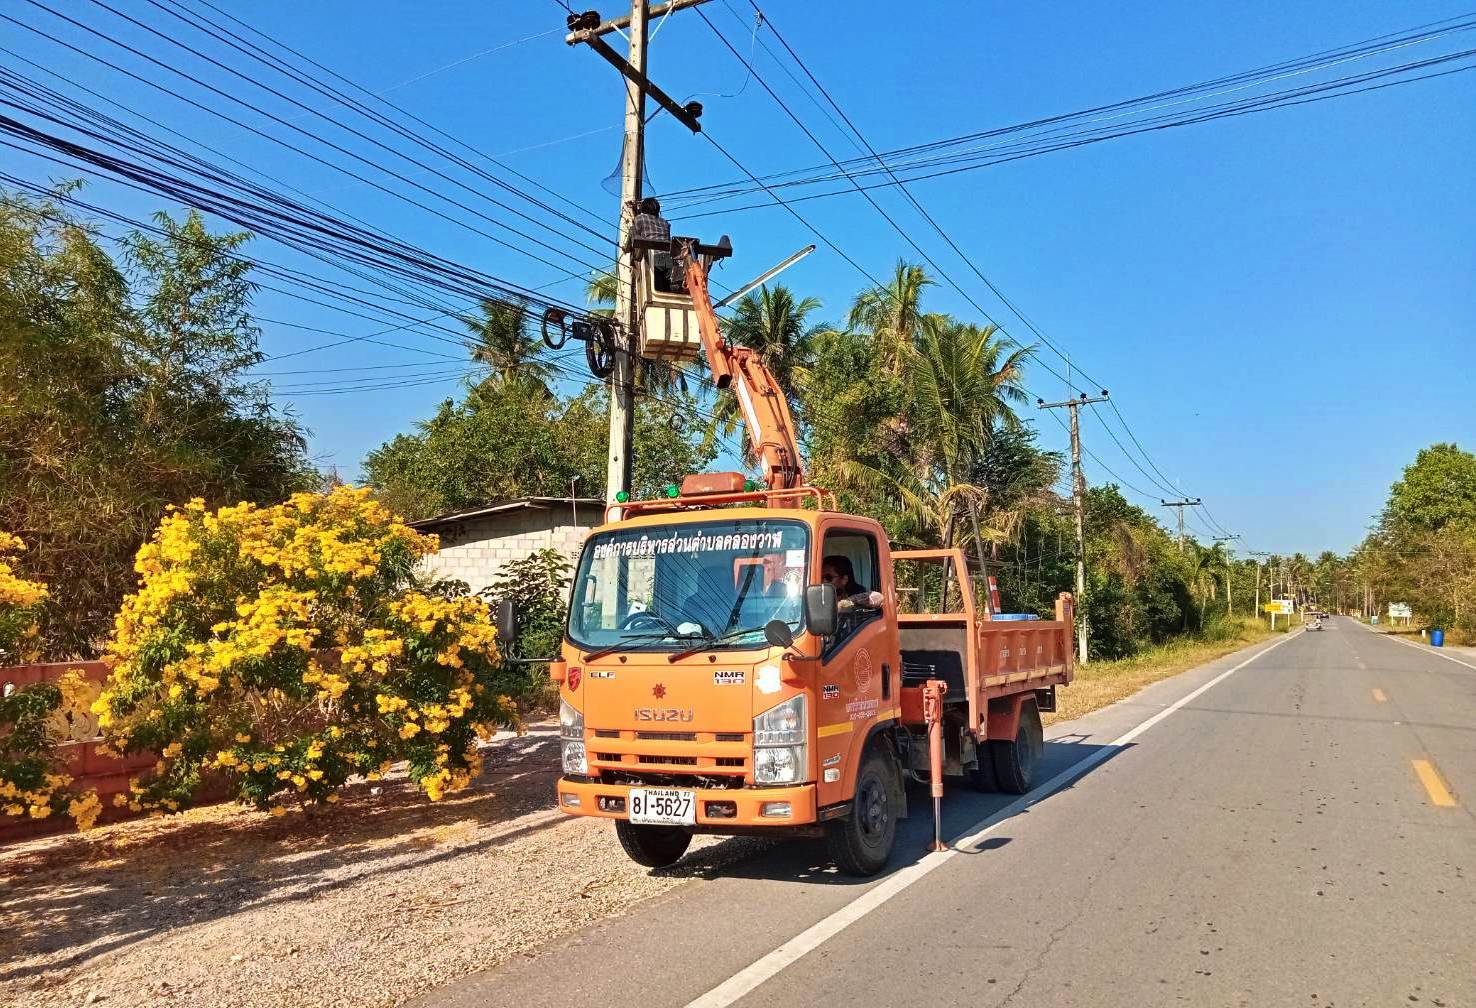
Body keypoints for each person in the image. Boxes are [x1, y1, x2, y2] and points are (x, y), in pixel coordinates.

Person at [632, 196, 674, 292]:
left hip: (653, 258)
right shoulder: (665, 223)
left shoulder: (639, 219)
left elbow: (636, 235)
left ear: (643, 208)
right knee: (667, 289)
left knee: (657, 289)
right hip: (668, 258)